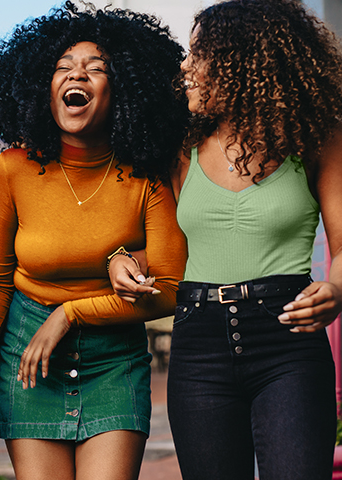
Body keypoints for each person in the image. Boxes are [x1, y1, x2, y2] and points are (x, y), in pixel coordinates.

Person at [0, 3, 188, 479]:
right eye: (62, 67)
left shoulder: (146, 178)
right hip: (28, 359)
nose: (76, 75)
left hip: (115, 361)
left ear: (122, 89)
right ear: (43, 85)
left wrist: (71, 312)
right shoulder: (14, 168)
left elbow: (170, 290)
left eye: (95, 69)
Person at [108, 0, 342, 478]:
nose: (185, 68)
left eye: (199, 55)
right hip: (200, 346)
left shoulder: (314, 138)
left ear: (242, 62)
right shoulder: (182, 149)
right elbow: (173, 250)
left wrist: (336, 289)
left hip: (289, 342)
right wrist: (121, 259)